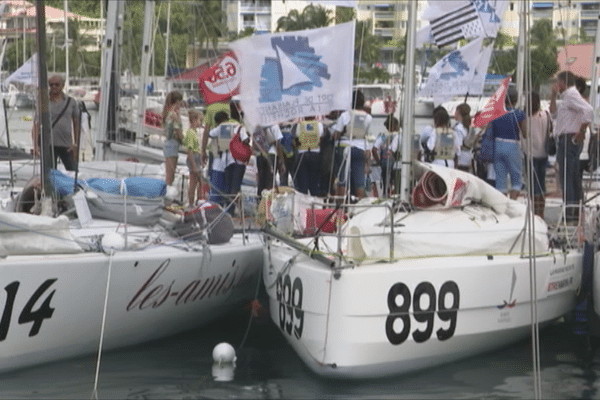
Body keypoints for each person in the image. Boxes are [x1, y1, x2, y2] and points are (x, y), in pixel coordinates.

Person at [550, 71, 594, 222]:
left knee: (567, 178)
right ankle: (575, 211)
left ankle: (570, 214)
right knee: (572, 177)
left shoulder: (571, 95)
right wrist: (553, 96)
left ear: (562, 82)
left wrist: (581, 130)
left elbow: (588, 110)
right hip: (567, 139)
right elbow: (554, 115)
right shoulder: (567, 97)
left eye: (557, 82)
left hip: (569, 140)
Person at [32, 75, 80, 171]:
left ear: (62, 85)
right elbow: (36, 124)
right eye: (51, 84)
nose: (54, 87)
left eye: (57, 84)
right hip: (48, 144)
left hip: (66, 144)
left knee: (73, 171)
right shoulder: (44, 102)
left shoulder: (71, 102)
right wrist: (35, 146)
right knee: (50, 172)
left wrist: (76, 144)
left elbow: (76, 123)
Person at [331, 89, 372, 199]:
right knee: (359, 182)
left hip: (344, 149)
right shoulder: (368, 117)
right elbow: (365, 136)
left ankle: (341, 209)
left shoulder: (344, 116)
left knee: (342, 181)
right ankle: (360, 208)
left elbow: (336, 135)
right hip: (360, 149)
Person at [490, 87, 526, 199]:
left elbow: (491, 131)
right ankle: (513, 203)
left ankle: (502, 208)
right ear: (516, 99)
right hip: (512, 145)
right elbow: (525, 133)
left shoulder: (496, 113)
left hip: (497, 145)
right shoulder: (519, 114)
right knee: (516, 178)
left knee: (500, 180)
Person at [523, 91, 552, 218]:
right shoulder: (545, 114)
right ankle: (541, 211)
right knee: (541, 183)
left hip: (529, 154)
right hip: (544, 153)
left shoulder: (524, 117)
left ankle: (535, 212)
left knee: (532, 185)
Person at [292, 116, 324, 195]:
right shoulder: (319, 125)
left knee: (303, 183)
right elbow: (321, 138)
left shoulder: (299, 125)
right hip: (315, 153)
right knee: (314, 182)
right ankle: (314, 203)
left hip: (302, 154)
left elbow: (296, 139)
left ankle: (303, 203)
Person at [253, 123, 284, 199]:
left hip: (260, 156)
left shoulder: (257, 127)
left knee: (261, 181)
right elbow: (278, 144)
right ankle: (268, 203)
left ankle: (260, 202)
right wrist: (282, 161)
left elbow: (254, 145)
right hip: (271, 155)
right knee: (270, 182)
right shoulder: (274, 126)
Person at [372, 115, 400, 196]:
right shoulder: (401, 135)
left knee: (385, 185)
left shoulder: (384, 136)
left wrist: (379, 162)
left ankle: (385, 194)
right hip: (398, 164)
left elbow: (374, 149)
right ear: (395, 125)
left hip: (385, 162)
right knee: (396, 184)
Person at [162, 91, 184, 186]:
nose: (180, 106)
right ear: (177, 102)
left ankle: (167, 196)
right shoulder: (174, 115)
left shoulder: (169, 113)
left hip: (169, 145)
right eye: (180, 103)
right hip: (172, 146)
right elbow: (178, 132)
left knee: (170, 175)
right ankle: (167, 198)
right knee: (170, 176)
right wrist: (185, 141)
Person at [183, 109, 204, 207]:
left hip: (196, 157)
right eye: (200, 120)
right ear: (194, 120)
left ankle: (198, 201)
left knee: (200, 181)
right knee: (193, 182)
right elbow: (189, 151)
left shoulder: (194, 132)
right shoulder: (190, 133)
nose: (201, 123)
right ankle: (191, 204)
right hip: (193, 158)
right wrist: (194, 165)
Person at [453, 103, 473, 172]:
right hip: (468, 158)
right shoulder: (467, 126)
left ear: (458, 112)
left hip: (460, 160)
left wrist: (455, 160)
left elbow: (458, 145)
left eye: (455, 111)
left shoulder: (458, 128)